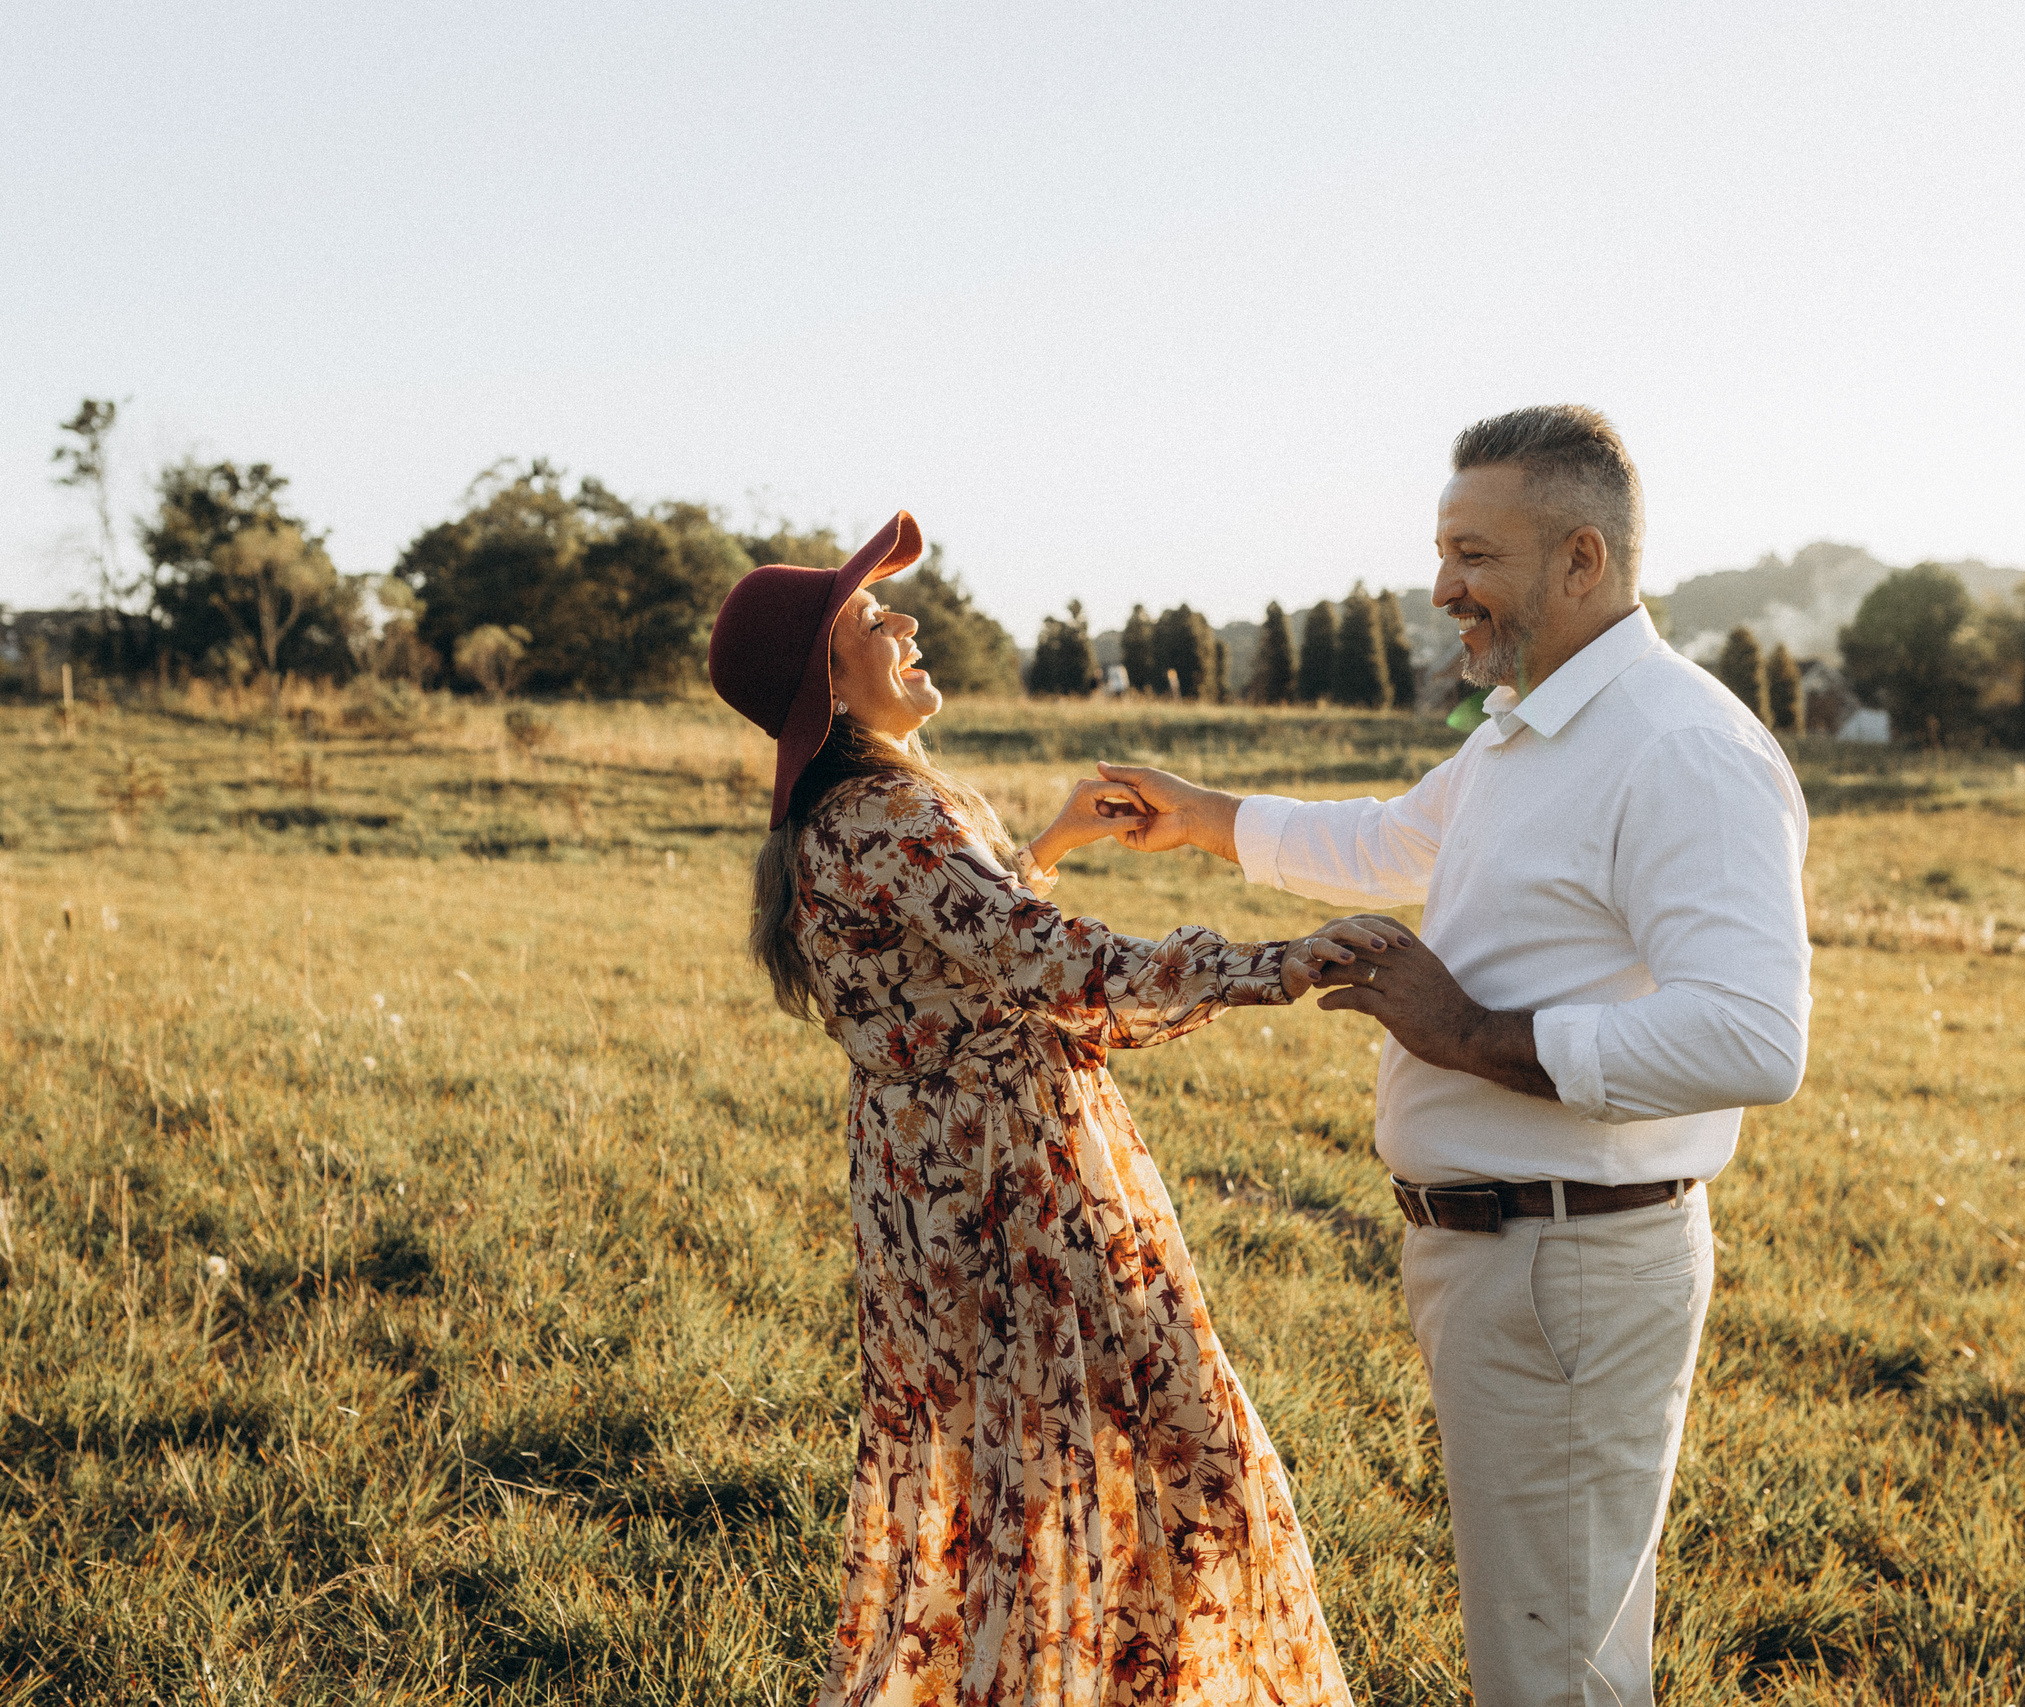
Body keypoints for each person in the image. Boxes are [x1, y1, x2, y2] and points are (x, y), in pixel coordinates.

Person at [1095, 406, 1813, 1707]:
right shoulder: (1525, 730)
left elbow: (1752, 1035)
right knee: (1549, 1648)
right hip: (1505, 1260)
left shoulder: (1679, 746)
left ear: (1582, 559)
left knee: (1553, 1673)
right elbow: (1390, 840)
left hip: (1568, 1263)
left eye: (1475, 554)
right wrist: (1200, 818)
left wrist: (1472, 1034)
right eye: (1443, 551)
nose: (1442, 589)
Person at [706, 511, 1362, 1707]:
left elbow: (961, 959)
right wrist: (1280, 961)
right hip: (1011, 1179)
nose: (906, 621)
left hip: (928, 1185)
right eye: (872, 617)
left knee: (1018, 1478)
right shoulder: (890, 816)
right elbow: (1062, 970)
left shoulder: (842, 820)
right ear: (826, 681)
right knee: (1181, 1462)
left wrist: (1048, 842)